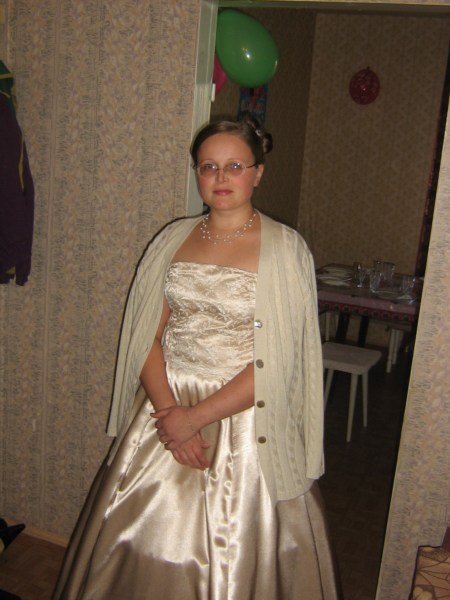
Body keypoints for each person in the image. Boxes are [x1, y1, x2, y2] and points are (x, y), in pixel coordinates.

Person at [53, 116, 341, 599]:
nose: (221, 177)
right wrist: (170, 414)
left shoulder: (286, 249)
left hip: (246, 418)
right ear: (197, 173)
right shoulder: (172, 238)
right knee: (141, 538)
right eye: (209, 166)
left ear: (258, 173)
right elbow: (144, 336)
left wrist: (194, 419)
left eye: (235, 166)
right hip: (165, 406)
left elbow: (279, 363)